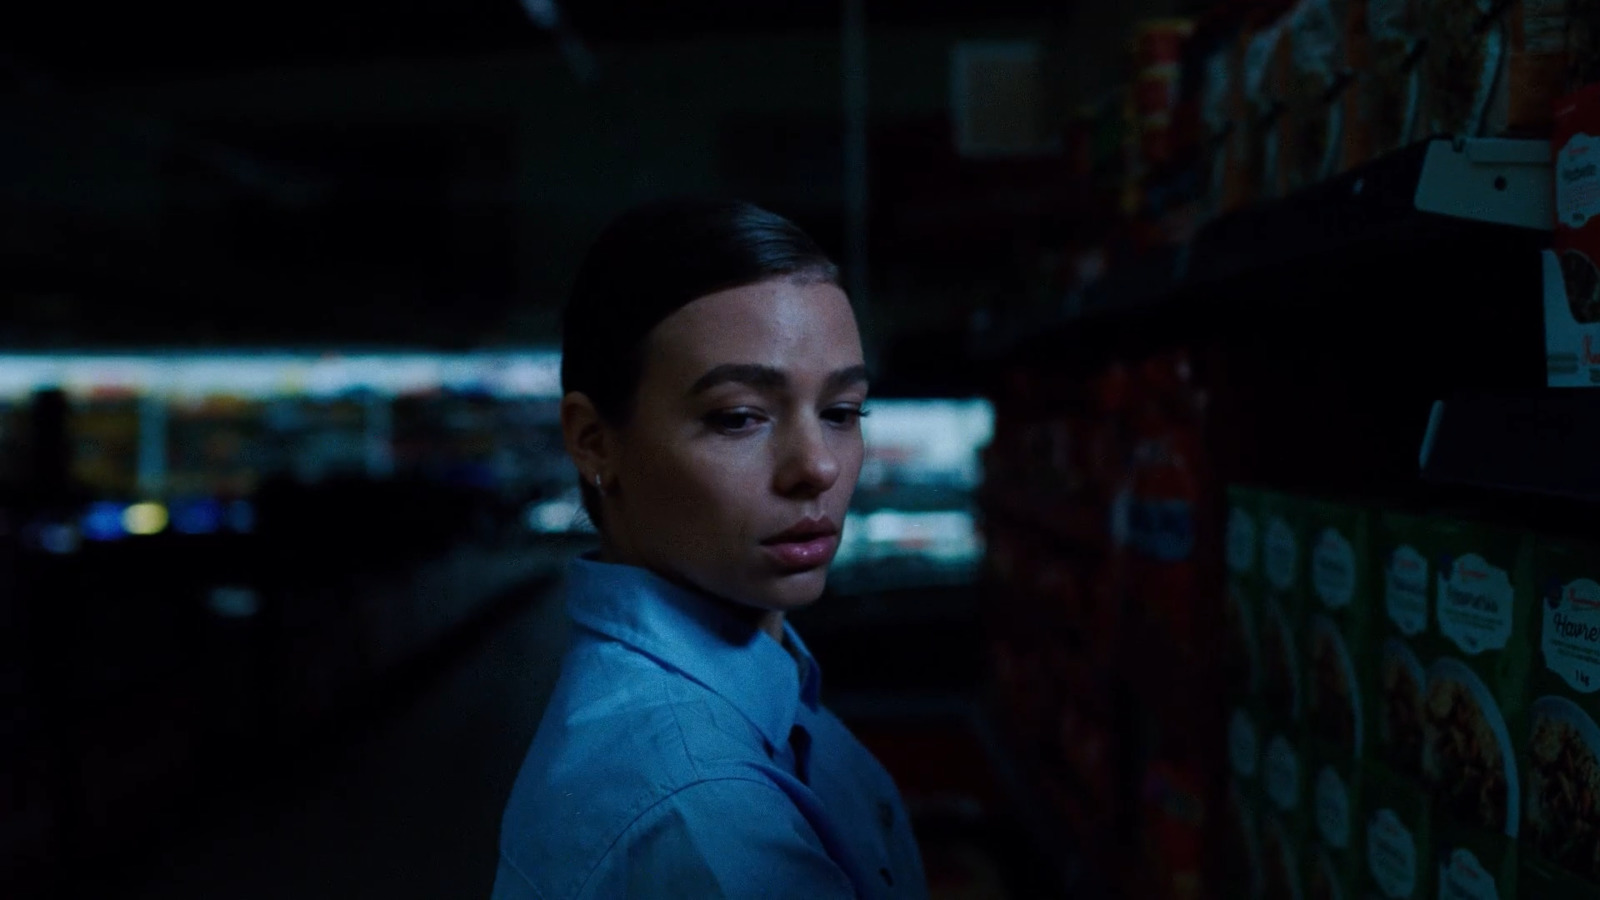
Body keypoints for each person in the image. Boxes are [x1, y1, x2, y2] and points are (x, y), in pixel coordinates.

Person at [490, 199, 929, 899]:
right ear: (594, 441)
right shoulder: (696, 807)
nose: (816, 466)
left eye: (842, 412)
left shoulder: (759, 687)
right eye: (738, 418)